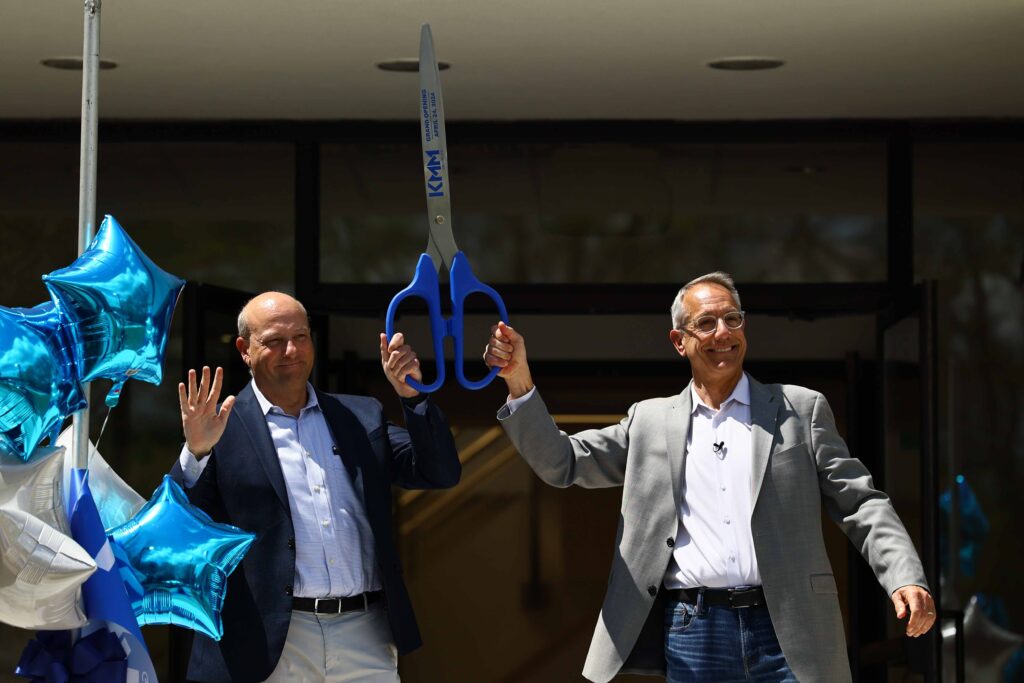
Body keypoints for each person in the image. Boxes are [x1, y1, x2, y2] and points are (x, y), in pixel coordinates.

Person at [483, 271, 936, 683]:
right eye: (706, 324)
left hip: (791, 624)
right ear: (679, 341)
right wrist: (519, 382)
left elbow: (860, 501)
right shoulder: (650, 421)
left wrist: (904, 576)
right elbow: (564, 462)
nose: (723, 333)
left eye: (733, 320)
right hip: (695, 629)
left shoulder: (799, 409)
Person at [170, 291, 460, 683]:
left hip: (365, 632)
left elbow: (439, 471)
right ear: (244, 349)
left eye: (301, 337)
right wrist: (196, 451)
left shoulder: (360, 415)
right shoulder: (221, 426)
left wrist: (412, 396)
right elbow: (178, 529)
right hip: (270, 642)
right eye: (273, 340)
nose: (291, 349)